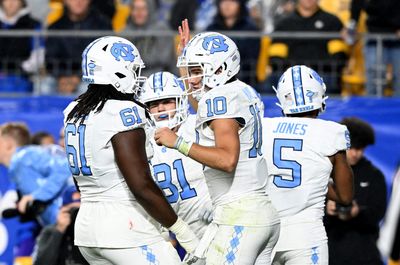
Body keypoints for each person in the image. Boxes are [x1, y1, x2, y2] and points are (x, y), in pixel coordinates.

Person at [63, 36, 199, 264]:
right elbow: (140, 184)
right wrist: (182, 231)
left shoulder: (74, 110)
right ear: (118, 71)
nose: (136, 77)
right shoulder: (123, 111)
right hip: (125, 227)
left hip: (87, 229)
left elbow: (80, 177)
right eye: (133, 69)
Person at [155, 30, 280, 264]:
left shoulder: (220, 98)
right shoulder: (242, 91)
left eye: (197, 71)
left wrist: (178, 143)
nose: (191, 80)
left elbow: (226, 160)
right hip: (260, 212)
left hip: (240, 216)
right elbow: (203, 108)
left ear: (219, 69)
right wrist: (184, 62)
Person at [256, 65, 354, 265]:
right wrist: (314, 180)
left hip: (263, 233)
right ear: (320, 97)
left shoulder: (263, 126)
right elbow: (345, 196)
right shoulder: (330, 132)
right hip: (306, 236)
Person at [140, 71, 213, 240]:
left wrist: (220, 202)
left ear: (181, 100)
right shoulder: (142, 140)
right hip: (171, 226)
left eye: (167, 102)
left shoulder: (198, 126)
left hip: (207, 219)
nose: (160, 109)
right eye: (154, 104)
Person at [325, 117, 387, 265]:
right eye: (351, 147)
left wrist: (357, 212)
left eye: (359, 148)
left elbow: (378, 213)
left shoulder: (374, 175)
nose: (354, 153)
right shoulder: (326, 172)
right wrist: (327, 209)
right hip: (329, 254)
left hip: (364, 255)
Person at [267, 0, 347, 94]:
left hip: (322, 74)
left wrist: (317, 71)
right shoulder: (284, 23)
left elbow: (339, 56)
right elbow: (276, 56)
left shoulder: (332, 21)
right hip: (291, 76)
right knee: (271, 83)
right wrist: (292, 73)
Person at [0, 122, 70, 226]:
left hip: (72, 220)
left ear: (8, 144)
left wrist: (36, 196)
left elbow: (66, 167)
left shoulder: (26, 155)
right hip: (61, 227)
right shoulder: (18, 165)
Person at [344, 0, 400, 95]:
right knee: (374, 75)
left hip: (397, 38)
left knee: (398, 76)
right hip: (373, 36)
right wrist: (351, 28)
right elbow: (355, 9)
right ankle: (372, 106)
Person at [206, 0, 260, 87]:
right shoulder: (211, 28)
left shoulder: (251, 29)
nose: (227, 5)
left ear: (240, 4)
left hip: (244, 79)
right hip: (214, 78)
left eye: (232, 1)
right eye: (223, 1)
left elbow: (252, 59)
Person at [32, 185, 89, 265]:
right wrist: (59, 230)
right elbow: (42, 263)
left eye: (79, 211)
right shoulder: (50, 231)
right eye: (73, 211)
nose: (76, 216)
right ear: (62, 209)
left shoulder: (92, 231)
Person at [122, 0, 176, 77]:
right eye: (136, 8)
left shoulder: (162, 29)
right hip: (132, 78)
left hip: (160, 76)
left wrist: (136, 60)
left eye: (143, 9)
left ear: (150, 10)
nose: (139, 12)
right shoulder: (125, 33)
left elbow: (163, 59)